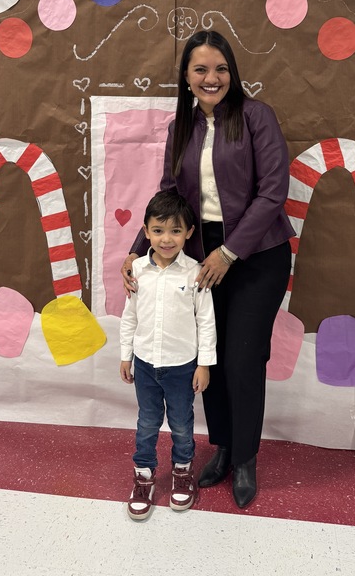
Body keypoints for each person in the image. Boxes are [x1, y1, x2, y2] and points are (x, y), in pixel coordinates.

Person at [122, 30, 293, 509]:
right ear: (186, 77)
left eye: (220, 68)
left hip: (257, 254)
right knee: (210, 357)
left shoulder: (257, 117)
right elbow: (169, 192)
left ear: (232, 72)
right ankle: (221, 448)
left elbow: (272, 192)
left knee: (242, 360)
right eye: (200, 69)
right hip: (202, 257)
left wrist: (230, 252)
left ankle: (245, 459)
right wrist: (138, 250)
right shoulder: (183, 128)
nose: (211, 78)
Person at [119, 189, 216, 521]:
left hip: (181, 368)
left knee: (180, 422)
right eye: (158, 230)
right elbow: (130, 316)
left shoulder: (195, 273)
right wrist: (125, 355)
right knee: (147, 423)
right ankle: (143, 476)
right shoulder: (138, 272)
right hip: (145, 364)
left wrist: (204, 364)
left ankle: (182, 471)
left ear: (189, 232)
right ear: (145, 231)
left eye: (176, 230)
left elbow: (206, 321)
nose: (166, 239)